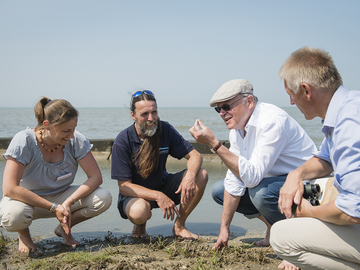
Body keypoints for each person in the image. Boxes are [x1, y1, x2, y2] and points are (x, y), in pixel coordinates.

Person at [189, 79, 316, 253]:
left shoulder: (272, 120)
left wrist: (215, 145)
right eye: (219, 109)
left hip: (308, 186)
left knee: (260, 192)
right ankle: (273, 226)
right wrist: (224, 229)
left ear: (249, 102)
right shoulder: (237, 129)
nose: (221, 113)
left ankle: (295, 243)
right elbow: (235, 179)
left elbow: (252, 177)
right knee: (220, 190)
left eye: (226, 106)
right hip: (273, 183)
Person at [271, 47, 360, 269]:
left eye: (291, 95)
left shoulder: (348, 125)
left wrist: (309, 213)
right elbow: (326, 158)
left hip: (354, 211)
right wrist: (296, 174)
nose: (291, 103)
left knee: (281, 236)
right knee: (313, 186)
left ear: (306, 91)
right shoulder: (348, 106)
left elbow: (353, 210)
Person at [0, 97, 112, 253]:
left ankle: (64, 229)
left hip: (61, 198)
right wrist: (53, 207)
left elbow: (96, 177)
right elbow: (9, 189)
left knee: (103, 197)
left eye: (73, 128)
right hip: (27, 201)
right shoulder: (23, 140)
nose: (72, 135)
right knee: (14, 216)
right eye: (66, 130)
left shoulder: (76, 140)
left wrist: (68, 202)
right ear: (46, 125)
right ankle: (24, 234)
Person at [111, 90, 208, 239]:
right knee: (139, 211)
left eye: (154, 112)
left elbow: (195, 156)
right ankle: (140, 224)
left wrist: (189, 176)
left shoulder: (165, 129)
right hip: (135, 196)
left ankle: (179, 226)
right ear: (133, 115)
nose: (151, 119)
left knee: (200, 175)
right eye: (144, 114)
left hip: (163, 185)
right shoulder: (123, 140)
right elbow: (124, 187)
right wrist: (157, 196)